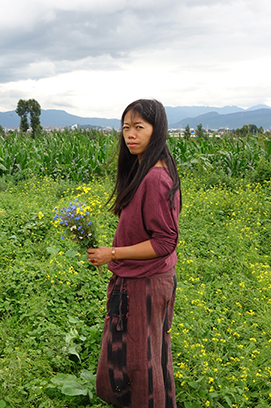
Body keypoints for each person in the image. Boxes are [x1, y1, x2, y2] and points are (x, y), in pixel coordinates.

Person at [86, 99, 181, 408]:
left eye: (139, 127)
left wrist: (112, 252)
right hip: (137, 280)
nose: (130, 135)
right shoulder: (145, 169)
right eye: (126, 127)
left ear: (157, 131)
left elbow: (165, 242)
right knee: (139, 354)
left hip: (146, 283)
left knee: (142, 360)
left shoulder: (155, 177)